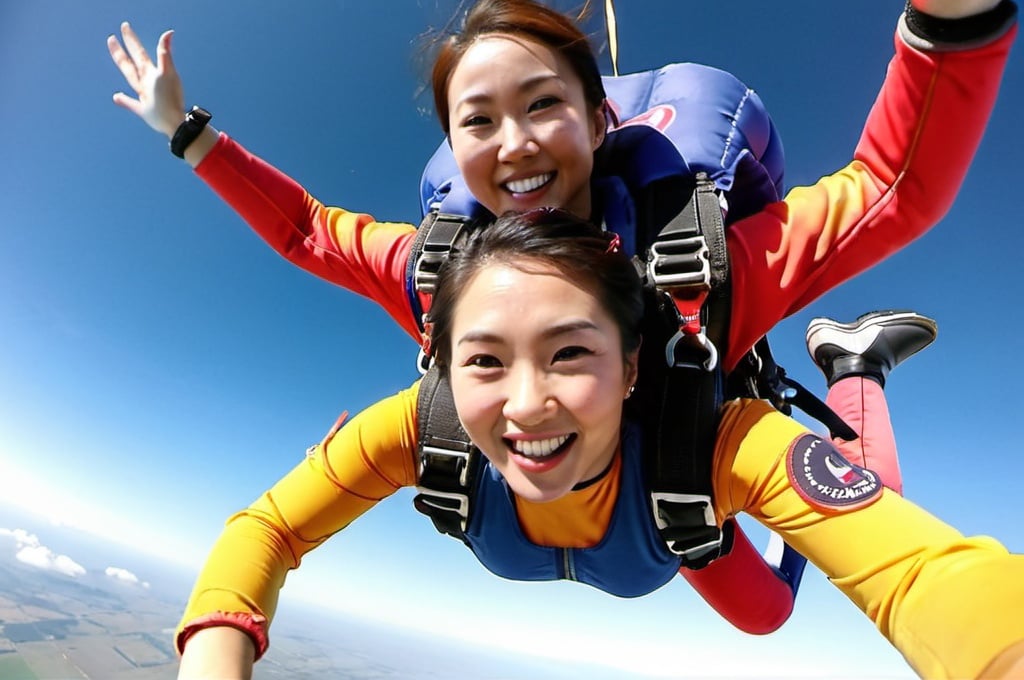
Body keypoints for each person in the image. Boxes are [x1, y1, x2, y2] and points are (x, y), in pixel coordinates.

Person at [107, 0, 1017, 635]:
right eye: (478, 121)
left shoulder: (703, 268)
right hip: (618, 518)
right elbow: (308, 231)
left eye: (543, 105)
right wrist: (190, 134)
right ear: (453, 146)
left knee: (771, 611)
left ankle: (854, 370)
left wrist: (953, 22)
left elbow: (891, 190)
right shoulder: (438, 280)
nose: (515, 144)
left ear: (597, 115)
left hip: (682, 478)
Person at [175, 209, 1024, 679]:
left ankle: (854, 367)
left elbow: (921, 571)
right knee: (767, 614)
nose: (527, 404)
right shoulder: (419, 425)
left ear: (629, 370)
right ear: (443, 361)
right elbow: (266, 530)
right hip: (660, 536)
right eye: (484, 359)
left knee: (814, 572)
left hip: (678, 509)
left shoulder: (717, 443)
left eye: (570, 352)